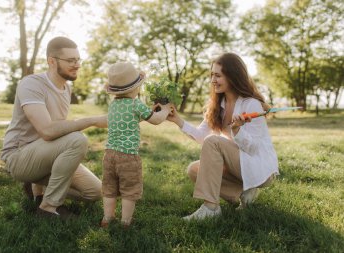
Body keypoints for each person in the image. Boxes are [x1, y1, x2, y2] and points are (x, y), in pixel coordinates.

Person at [0, 36, 107, 219]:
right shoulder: (32, 84)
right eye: (70, 60)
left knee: (96, 192)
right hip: (18, 156)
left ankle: (37, 189)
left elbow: (58, 130)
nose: (77, 65)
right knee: (77, 140)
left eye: (78, 59)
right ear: (51, 61)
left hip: (44, 155)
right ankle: (48, 208)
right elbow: (48, 131)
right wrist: (91, 120)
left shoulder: (66, 89)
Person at [167, 52, 279, 220]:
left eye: (218, 75)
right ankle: (243, 192)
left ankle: (210, 208)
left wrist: (238, 131)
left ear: (233, 77)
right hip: (238, 164)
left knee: (214, 141)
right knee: (194, 170)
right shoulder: (217, 106)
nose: (213, 80)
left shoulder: (251, 104)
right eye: (212, 75)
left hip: (258, 166)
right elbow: (201, 136)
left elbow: (255, 148)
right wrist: (178, 120)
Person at [101, 62, 172, 227]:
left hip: (109, 155)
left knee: (109, 188)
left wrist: (151, 110)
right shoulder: (135, 104)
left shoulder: (113, 106)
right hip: (128, 156)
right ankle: (125, 222)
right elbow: (155, 120)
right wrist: (166, 110)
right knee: (129, 190)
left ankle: (107, 218)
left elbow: (132, 118)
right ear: (135, 88)